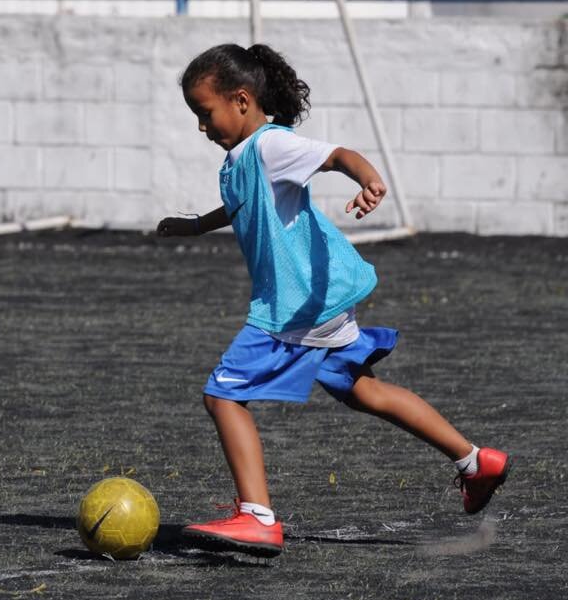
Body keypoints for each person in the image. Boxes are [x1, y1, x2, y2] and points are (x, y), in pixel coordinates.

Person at [156, 43, 509, 558]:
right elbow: (241, 205)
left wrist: (368, 180)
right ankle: (475, 461)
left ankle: (257, 517)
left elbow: (338, 155)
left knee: (223, 395)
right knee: (363, 390)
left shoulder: (270, 146)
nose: (202, 127)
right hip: (320, 307)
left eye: (205, 113)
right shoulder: (241, 160)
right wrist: (195, 225)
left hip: (294, 309)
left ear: (240, 99)